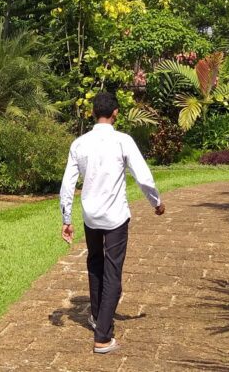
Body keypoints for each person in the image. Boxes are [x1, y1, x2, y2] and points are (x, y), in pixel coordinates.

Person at [59, 91, 165, 354]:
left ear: (94, 112)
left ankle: (97, 315)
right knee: (113, 271)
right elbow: (143, 176)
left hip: (91, 217)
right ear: (116, 113)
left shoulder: (79, 144)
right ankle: (102, 336)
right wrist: (156, 202)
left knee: (95, 263)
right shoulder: (122, 141)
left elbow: (68, 183)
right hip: (115, 216)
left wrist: (66, 218)